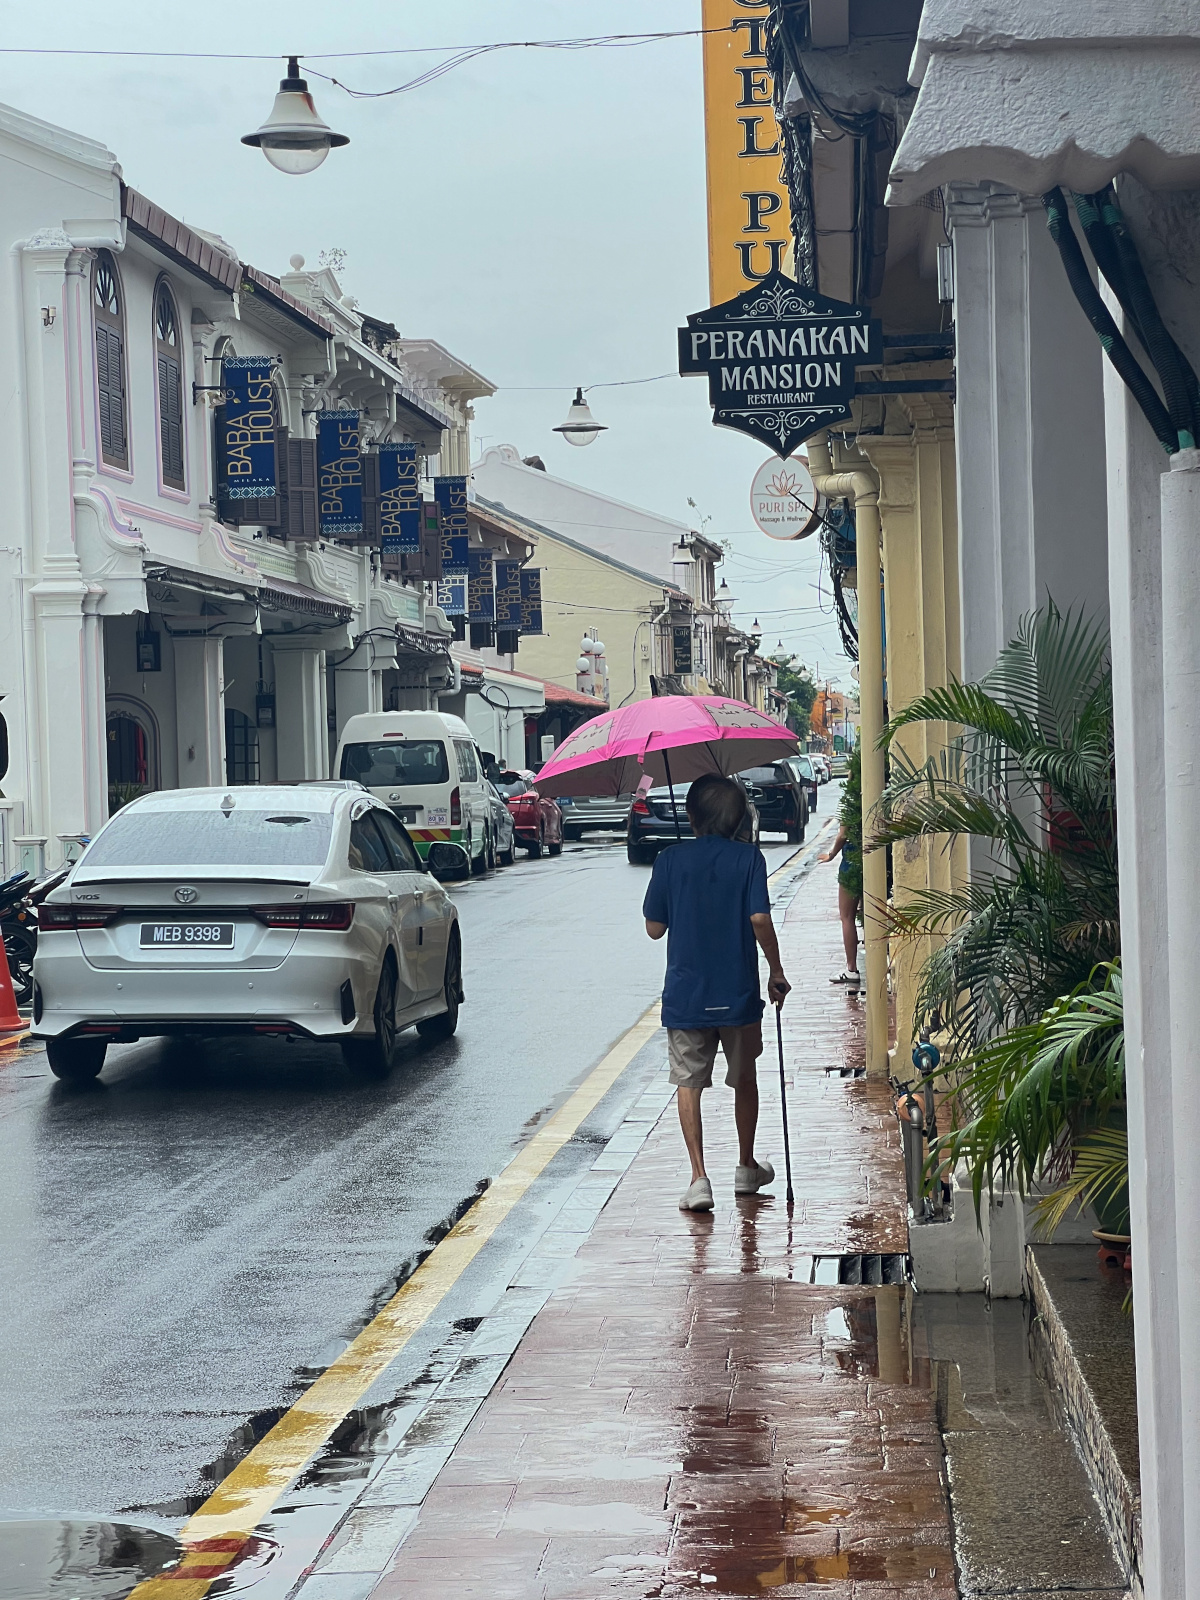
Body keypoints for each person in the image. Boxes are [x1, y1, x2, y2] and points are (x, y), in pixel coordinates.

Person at [643, 773, 792, 1212]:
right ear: (737, 819)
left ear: (691, 815)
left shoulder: (669, 860)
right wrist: (776, 969)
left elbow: (654, 930)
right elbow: (760, 920)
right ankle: (746, 1167)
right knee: (744, 1078)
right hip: (738, 992)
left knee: (689, 1082)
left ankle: (698, 1177)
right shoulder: (749, 859)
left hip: (687, 995)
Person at [819, 744, 863, 985]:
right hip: (874, 859)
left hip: (852, 861)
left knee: (847, 917)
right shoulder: (877, 791)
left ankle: (851, 968)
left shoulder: (852, 799)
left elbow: (842, 834)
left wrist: (832, 854)